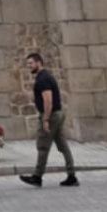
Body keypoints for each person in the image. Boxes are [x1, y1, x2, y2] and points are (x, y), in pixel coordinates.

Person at [21, 52, 78, 187]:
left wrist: (46, 120)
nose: (29, 66)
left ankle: (37, 176)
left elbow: (48, 101)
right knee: (63, 145)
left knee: (43, 146)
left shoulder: (43, 79)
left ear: (39, 63)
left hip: (51, 115)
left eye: (31, 63)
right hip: (56, 114)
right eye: (28, 64)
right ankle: (71, 175)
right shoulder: (45, 76)